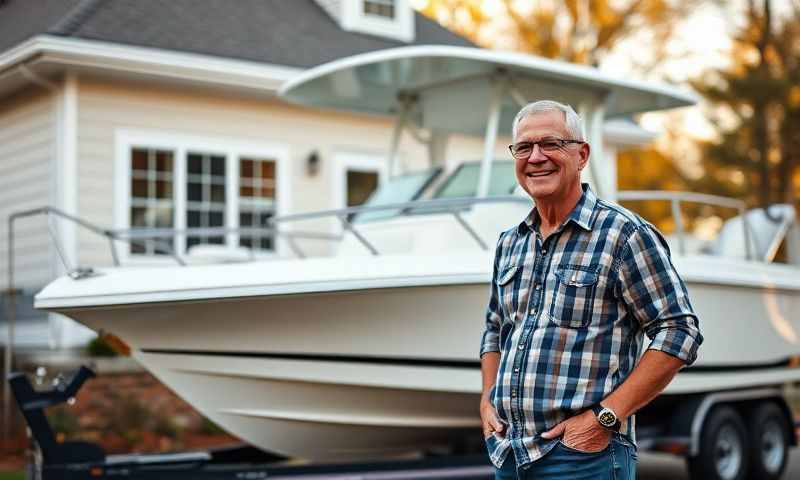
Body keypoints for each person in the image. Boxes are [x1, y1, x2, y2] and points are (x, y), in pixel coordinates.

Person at [479, 100, 703, 480]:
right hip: (510, 453)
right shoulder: (510, 242)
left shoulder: (623, 234)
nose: (535, 157)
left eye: (550, 144)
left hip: (584, 459)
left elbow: (679, 330)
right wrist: (487, 399)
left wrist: (604, 417)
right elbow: (495, 329)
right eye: (524, 147)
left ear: (581, 155)